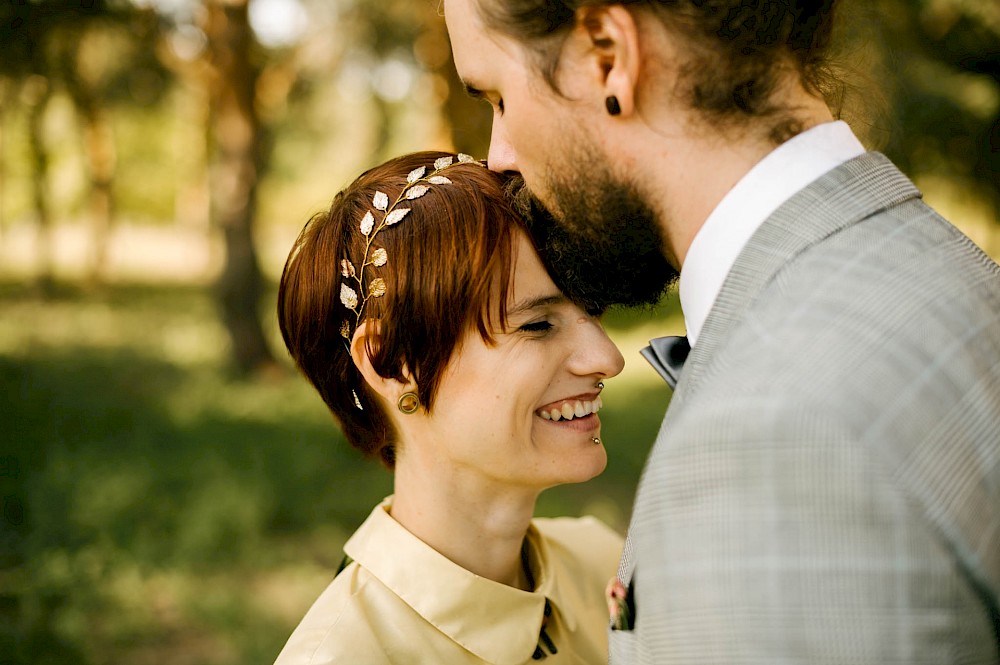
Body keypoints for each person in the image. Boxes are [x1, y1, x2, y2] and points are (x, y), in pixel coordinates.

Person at [443, 1, 1000, 663]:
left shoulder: (765, 450)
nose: (496, 156)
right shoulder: (946, 267)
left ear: (608, 57)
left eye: (498, 98)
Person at [273, 151, 627, 664]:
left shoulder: (604, 563)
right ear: (394, 361)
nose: (608, 359)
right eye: (536, 325)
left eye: (591, 311)